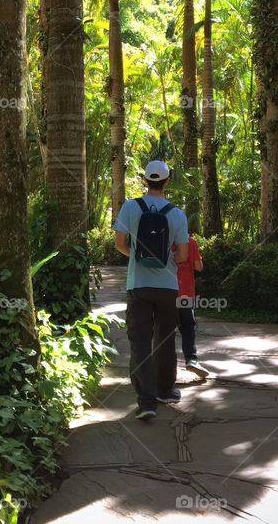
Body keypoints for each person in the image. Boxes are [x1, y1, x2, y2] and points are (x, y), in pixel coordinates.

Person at [114, 160, 189, 421]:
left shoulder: (131, 207)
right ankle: (166, 390)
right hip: (168, 287)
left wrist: (137, 255)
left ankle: (146, 401)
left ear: (145, 180)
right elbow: (182, 256)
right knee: (165, 339)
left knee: (140, 341)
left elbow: (120, 244)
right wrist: (164, 259)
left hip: (139, 285)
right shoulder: (177, 214)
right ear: (167, 180)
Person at [175, 234, 209, 378]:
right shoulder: (189, 241)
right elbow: (198, 267)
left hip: (165, 291)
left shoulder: (164, 238)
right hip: (185, 293)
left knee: (165, 330)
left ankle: (168, 366)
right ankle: (191, 360)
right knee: (188, 327)